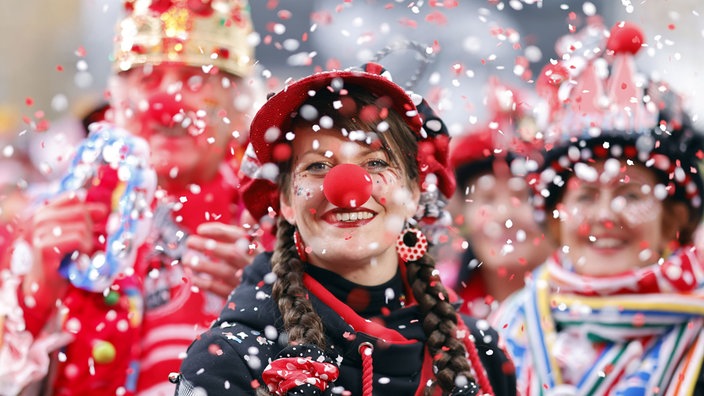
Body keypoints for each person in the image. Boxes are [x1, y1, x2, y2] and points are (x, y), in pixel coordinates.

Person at [173, 62, 517, 395]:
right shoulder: (229, 362)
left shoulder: (480, 352)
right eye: (318, 165)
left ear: (414, 192)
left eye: (376, 162)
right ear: (286, 201)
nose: (349, 190)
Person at [0, 0, 264, 394]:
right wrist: (36, 288)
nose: (168, 105)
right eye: (147, 79)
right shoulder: (37, 223)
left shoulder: (282, 228)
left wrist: (269, 305)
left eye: (196, 79)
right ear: (117, 104)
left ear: (240, 105)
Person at [492, 19, 704, 394]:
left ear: (673, 219)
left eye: (632, 195)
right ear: (556, 221)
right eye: (586, 196)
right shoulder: (503, 332)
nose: (605, 216)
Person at [443, 80, 553, 318]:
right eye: (487, 199)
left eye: (522, 196)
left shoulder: (590, 309)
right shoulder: (434, 306)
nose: (504, 215)